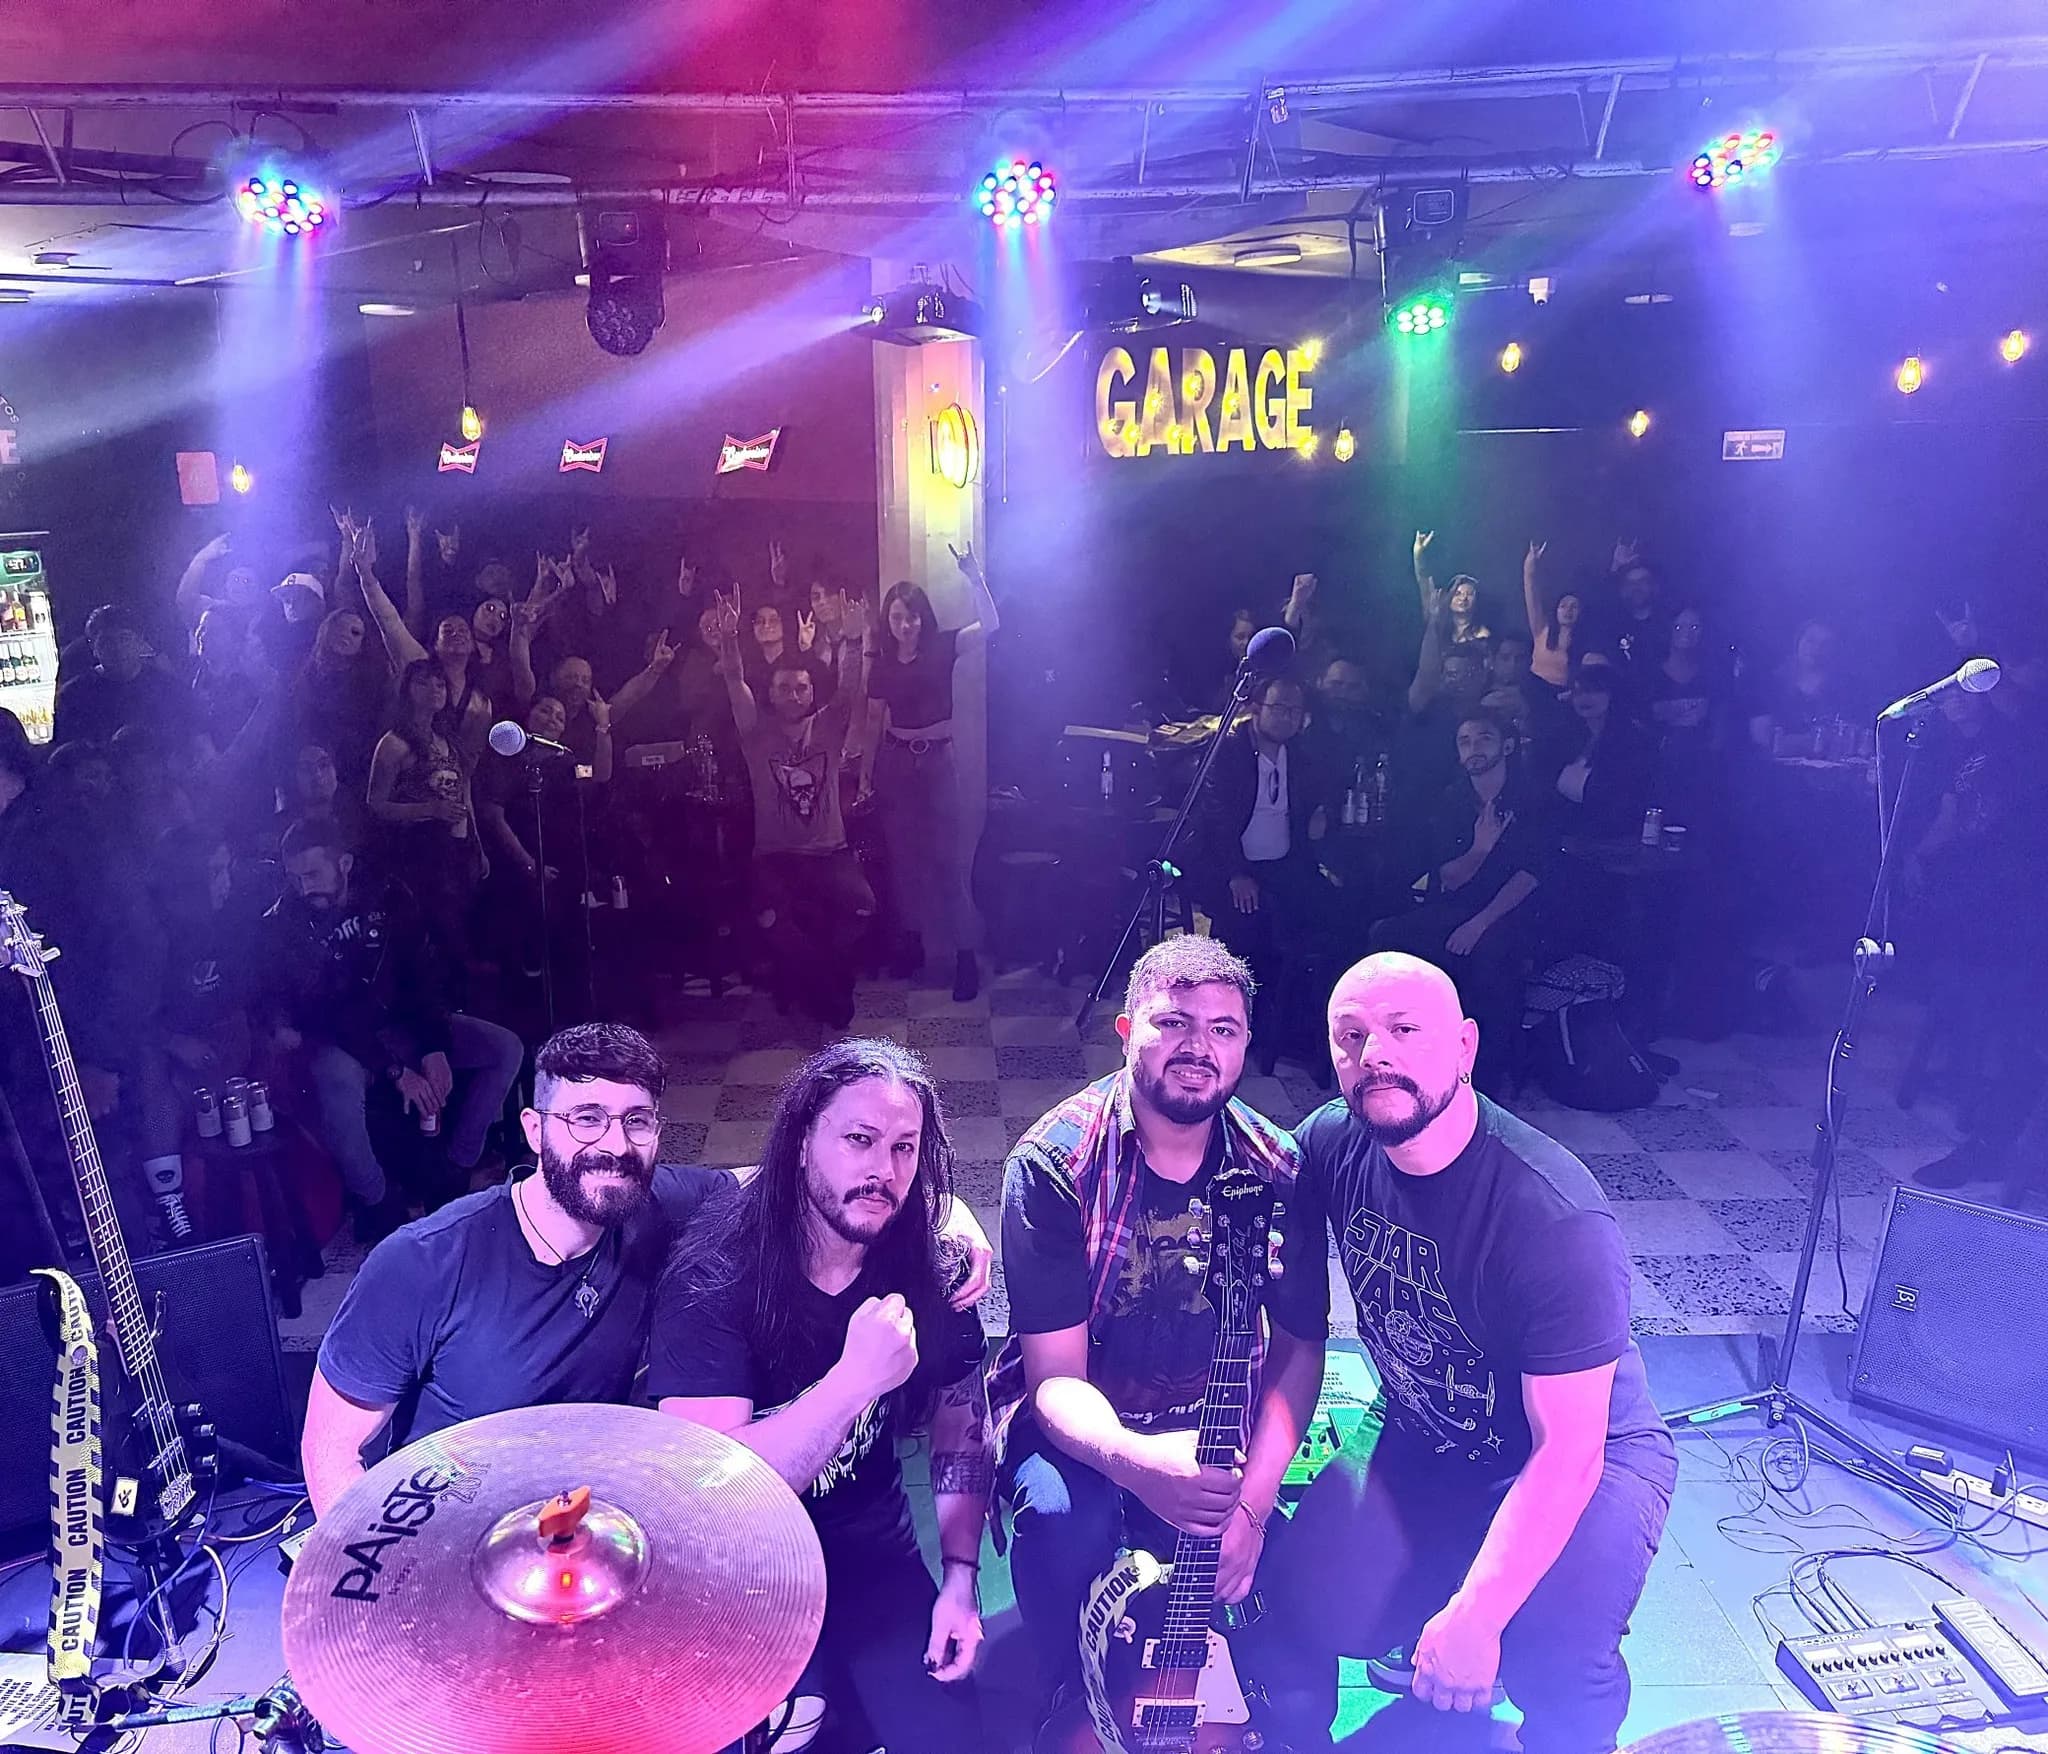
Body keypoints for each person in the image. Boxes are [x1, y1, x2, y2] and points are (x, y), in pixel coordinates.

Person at [1250, 952, 1676, 1754]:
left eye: (1405, 1030)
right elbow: (1235, 1186)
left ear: (1466, 1048)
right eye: (1351, 1037)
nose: (1375, 1052)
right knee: (1300, 1593)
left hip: (1583, 1456)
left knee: (1551, 1653)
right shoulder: (1332, 1145)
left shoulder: (1553, 1217)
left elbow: (1568, 1452)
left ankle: (1549, 1713)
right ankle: (1422, 1642)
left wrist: (1480, 1617)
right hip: (1424, 1427)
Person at [990, 937, 1316, 1746]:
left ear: (1245, 1043)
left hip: (1214, 1426)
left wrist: (1253, 1502)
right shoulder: (1056, 1164)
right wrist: (1139, 1467)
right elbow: (1055, 1377)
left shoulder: (1276, 1167)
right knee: (1066, 1524)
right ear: (1128, 1028)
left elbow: (1300, 1347)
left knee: (1300, 1692)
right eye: (1174, 1022)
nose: (1198, 1048)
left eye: (1223, 1029)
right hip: (1080, 1420)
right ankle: (1073, 1688)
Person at [648, 1039, 991, 1753]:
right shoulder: (715, 1272)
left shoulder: (929, 1262)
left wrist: (960, 1578)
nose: (883, 1171)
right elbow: (706, 1491)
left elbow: (962, 1417)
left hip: (871, 1552)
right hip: (739, 1571)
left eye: (904, 1148)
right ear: (804, 1141)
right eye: (859, 1140)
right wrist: (853, 1383)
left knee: (954, 1735)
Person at [301, 1023, 723, 1513]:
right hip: (449, 1534)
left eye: (637, 1121)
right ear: (535, 1131)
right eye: (586, 1119)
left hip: (584, 1520)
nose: (616, 1146)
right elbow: (330, 1453)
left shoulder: (651, 1206)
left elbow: (741, 1190)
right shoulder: (421, 1262)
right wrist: (382, 1574)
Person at [261, 818, 523, 1229]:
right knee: (337, 1082)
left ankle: (455, 1168)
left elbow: (420, 973)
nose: (303, 887)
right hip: (346, 1040)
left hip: (403, 1023)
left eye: (313, 874)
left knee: (504, 1049)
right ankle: (377, 1199)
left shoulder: (388, 894)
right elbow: (328, 1011)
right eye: (294, 877)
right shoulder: (285, 925)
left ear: (343, 863)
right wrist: (396, 1071)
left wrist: (433, 1045)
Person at [714, 587, 872, 1026]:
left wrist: (854, 641)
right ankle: (824, 986)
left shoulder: (827, 726)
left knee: (862, 908)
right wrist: (730, 638)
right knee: (770, 919)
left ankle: (818, 980)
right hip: (775, 858)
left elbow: (849, 684)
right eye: (784, 688)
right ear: (772, 693)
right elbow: (733, 680)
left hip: (831, 853)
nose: (794, 694)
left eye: (801, 687)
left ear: (809, 691)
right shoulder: (755, 731)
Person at [1371, 711, 1551, 1095]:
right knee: (1386, 936)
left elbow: (1530, 876)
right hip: (1459, 905)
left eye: (1483, 738)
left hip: (1510, 913)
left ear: (1506, 745)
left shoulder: (1531, 797)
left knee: (1490, 956)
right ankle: (1402, 1058)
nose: (1473, 748)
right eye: (1465, 741)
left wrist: (1479, 924)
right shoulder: (1452, 799)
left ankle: (1483, 1082)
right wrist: (1481, 848)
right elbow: (1449, 878)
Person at [864, 545, 998, 1003]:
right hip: (897, 760)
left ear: (924, 618)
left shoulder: (943, 645)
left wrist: (974, 577)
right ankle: (913, 947)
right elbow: (871, 721)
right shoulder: (881, 664)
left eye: (913, 616)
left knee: (948, 863)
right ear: (888, 621)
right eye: (899, 617)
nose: (906, 625)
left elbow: (993, 626)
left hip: (939, 759)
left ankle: (966, 959)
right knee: (905, 864)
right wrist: (865, 774)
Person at [1193, 672, 1341, 1072]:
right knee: (1245, 925)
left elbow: (1313, 809)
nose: (1287, 718)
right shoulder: (1229, 750)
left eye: (1295, 710)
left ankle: (1299, 1028)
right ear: (1257, 708)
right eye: (1278, 708)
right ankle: (1230, 1026)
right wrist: (1237, 872)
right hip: (1236, 866)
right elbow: (1217, 819)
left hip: (1286, 864)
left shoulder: (1305, 757)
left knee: (1331, 914)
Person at [52, 602, 190, 751]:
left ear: (139, 640)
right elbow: (66, 751)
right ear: (93, 648)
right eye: (107, 642)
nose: (118, 649)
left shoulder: (168, 688)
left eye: (124, 638)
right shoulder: (74, 695)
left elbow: (190, 739)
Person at [1553, 653, 1656, 839]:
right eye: (1578, 691)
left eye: (1593, 690)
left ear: (1612, 694)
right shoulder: (1565, 739)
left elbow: (1624, 805)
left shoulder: (1634, 743)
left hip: (1611, 844)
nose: (1585, 698)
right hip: (1565, 839)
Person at [1520, 541, 1580, 689]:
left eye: (1574, 607)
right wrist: (1530, 568)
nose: (1568, 610)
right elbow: (1531, 596)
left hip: (1563, 696)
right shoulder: (1542, 630)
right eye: (1563, 606)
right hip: (1534, 690)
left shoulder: (1584, 640)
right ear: (1556, 610)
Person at [1415, 532, 1491, 645]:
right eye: (1457, 593)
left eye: (1469, 594)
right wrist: (1418, 556)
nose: (1463, 598)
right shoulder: (1439, 626)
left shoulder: (1482, 634)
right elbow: (1424, 582)